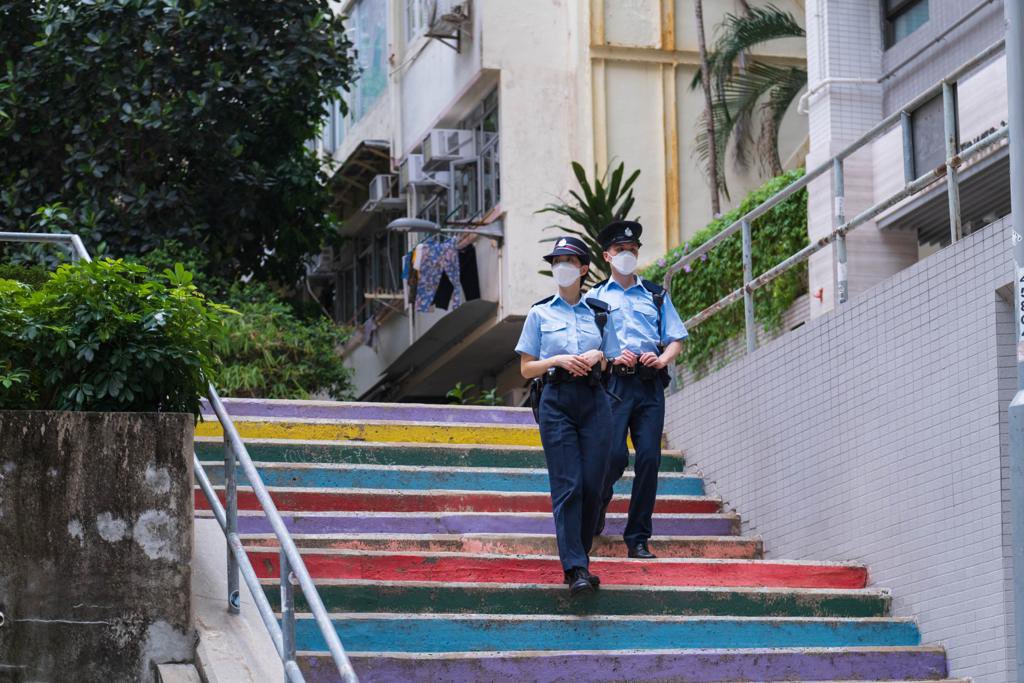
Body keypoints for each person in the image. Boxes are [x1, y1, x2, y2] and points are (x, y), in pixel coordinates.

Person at [515, 236, 621, 596]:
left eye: (569, 260)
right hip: (556, 399)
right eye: (556, 260)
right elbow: (527, 369)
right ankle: (576, 567)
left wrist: (597, 357)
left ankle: (580, 551)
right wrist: (557, 360)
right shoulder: (539, 313)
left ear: (584, 268)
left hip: (594, 398)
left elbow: (612, 356)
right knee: (569, 485)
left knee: (594, 482)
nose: (562, 265)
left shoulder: (600, 312)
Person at [590, 220, 688, 559]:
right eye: (620, 251)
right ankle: (598, 504)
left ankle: (638, 537)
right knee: (613, 457)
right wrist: (611, 356)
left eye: (632, 250)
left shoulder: (656, 294)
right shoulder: (594, 299)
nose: (627, 255)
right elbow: (586, 344)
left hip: (648, 384)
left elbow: (675, 338)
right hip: (613, 384)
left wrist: (662, 359)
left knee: (649, 458)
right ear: (607, 256)